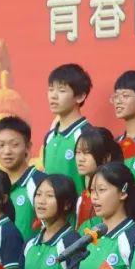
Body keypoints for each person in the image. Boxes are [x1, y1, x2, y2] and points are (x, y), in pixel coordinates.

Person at [0, 115, 45, 240]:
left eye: (14, 145)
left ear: (28, 147)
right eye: (1, 145)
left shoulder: (41, 183)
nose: (7, 151)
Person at [44, 63, 94, 193]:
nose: (53, 96)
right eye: (51, 89)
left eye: (61, 90)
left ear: (80, 96)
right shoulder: (49, 137)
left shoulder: (87, 134)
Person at [74, 126, 122, 230]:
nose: (80, 159)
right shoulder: (82, 198)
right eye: (78, 152)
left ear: (106, 157)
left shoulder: (115, 195)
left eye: (87, 153)